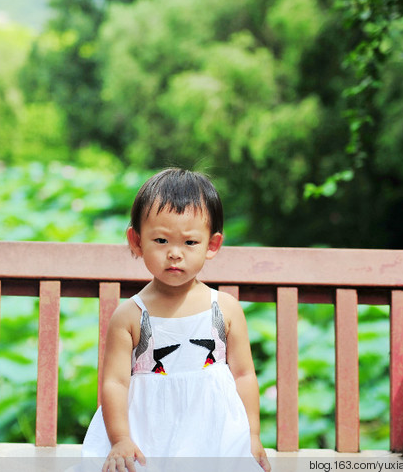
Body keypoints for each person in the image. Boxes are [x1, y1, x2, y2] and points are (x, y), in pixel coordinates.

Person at [81, 168, 270, 472]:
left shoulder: (225, 309)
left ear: (212, 245)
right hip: (147, 437)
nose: (175, 254)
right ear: (137, 241)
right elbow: (115, 383)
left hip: (214, 437)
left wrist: (253, 437)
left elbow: (245, 376)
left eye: (190, 243)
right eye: (161, 240)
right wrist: (120, 439)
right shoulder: (130, 316)